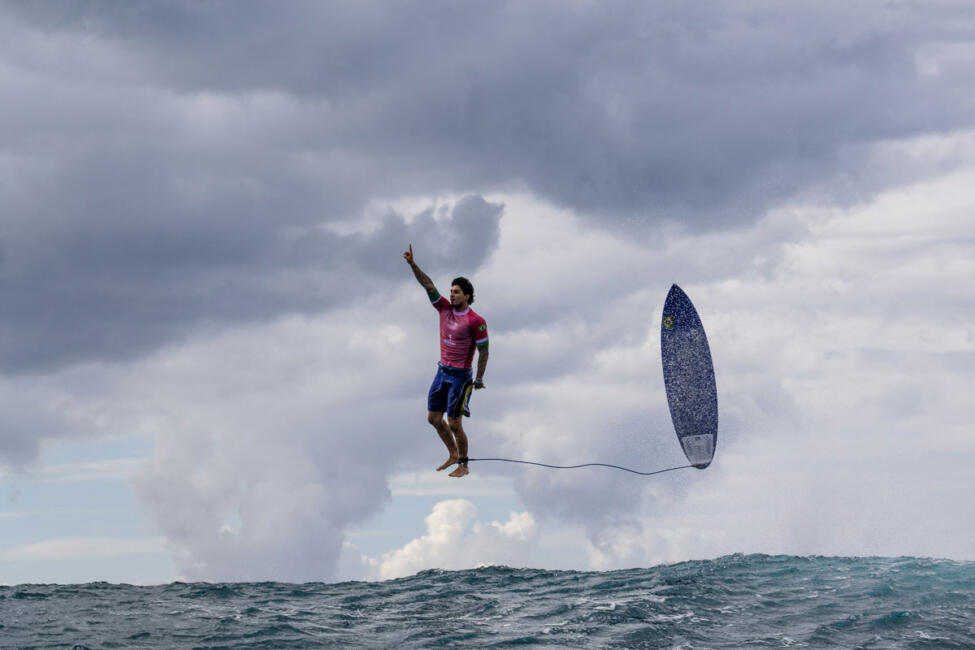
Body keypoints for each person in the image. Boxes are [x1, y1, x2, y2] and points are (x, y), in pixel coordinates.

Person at [403, 244, 489, 478]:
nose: (451, 295)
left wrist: (479, 378)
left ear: (467, 296)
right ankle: (452, 454)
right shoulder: (443, 308)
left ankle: (464, 464)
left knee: (454, 422)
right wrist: (413, 264)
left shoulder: (476, 320)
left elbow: (484, 351)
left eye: (456, 292)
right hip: (442, 372)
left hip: (461, 377)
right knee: (433, 418)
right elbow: (428, 285)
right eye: (451, 291)